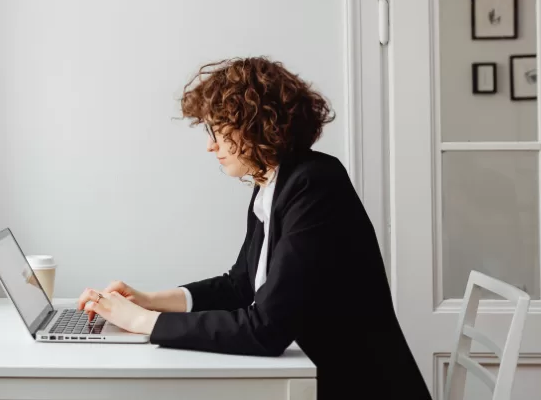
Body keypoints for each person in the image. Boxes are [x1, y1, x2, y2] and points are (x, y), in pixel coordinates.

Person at [77, 57, 432, 399]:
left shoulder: (314, 184)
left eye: (218, 131)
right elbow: (240, 285)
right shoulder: (273, 184)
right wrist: (150, 300)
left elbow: (266, 329)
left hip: (357, 387)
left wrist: (144, 322)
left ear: (256, 125)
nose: (211, 145)